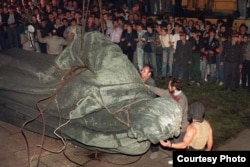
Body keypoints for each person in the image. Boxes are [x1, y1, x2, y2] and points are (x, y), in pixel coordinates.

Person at [146, 77, 188, 159]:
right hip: (169, 123)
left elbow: (176, 115)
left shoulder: (181, 100)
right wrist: (148, 87)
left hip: (180, 127)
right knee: (155, 131)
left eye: (169, 85)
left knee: (176, 145)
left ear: (174, 87)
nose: (168, 87)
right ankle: (155, 151)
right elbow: (160, 91)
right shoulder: (171, 93)